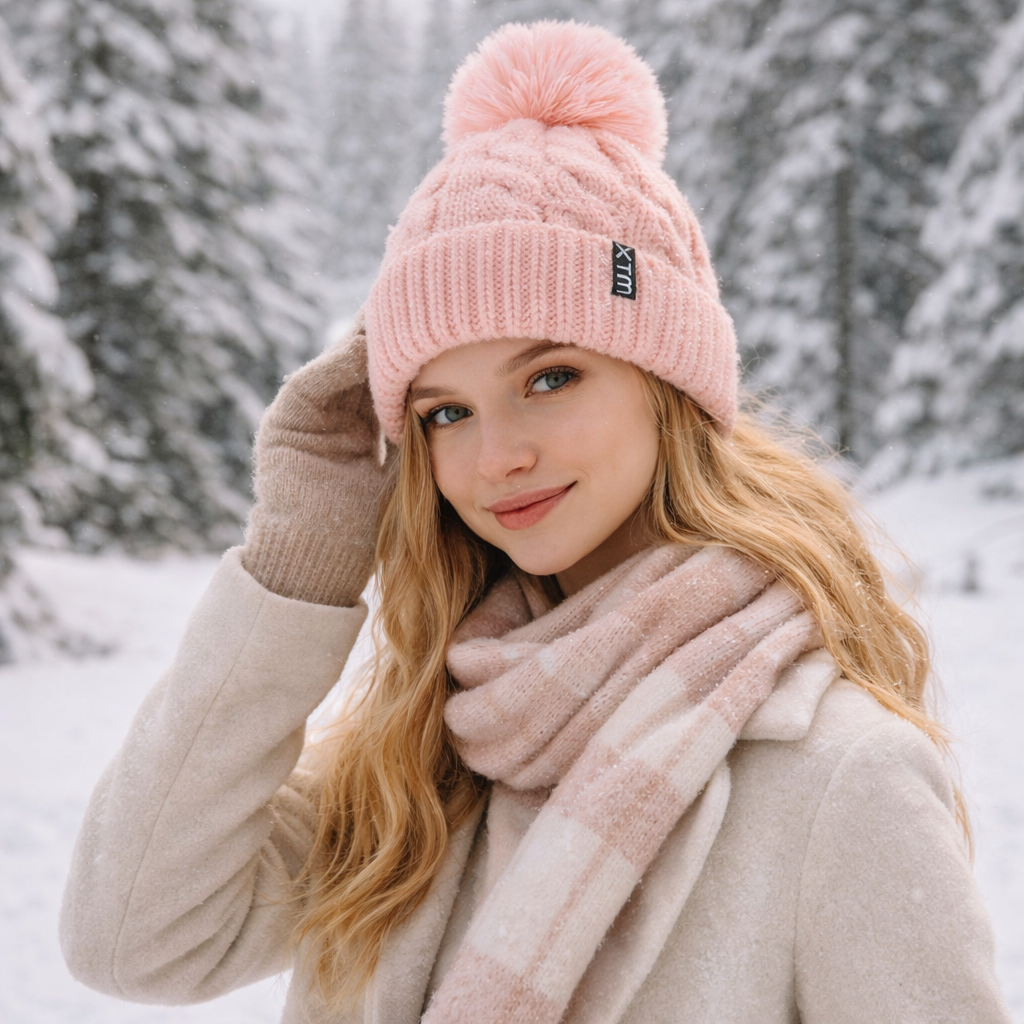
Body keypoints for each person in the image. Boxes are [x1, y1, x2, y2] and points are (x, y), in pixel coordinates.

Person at [60, 20, 1012, 1024]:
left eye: (550, 376)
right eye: (444, 412)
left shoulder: (838, 782)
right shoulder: (422, 764)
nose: (492, 456)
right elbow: (132, 935)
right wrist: (305, 551)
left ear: (666, 383)